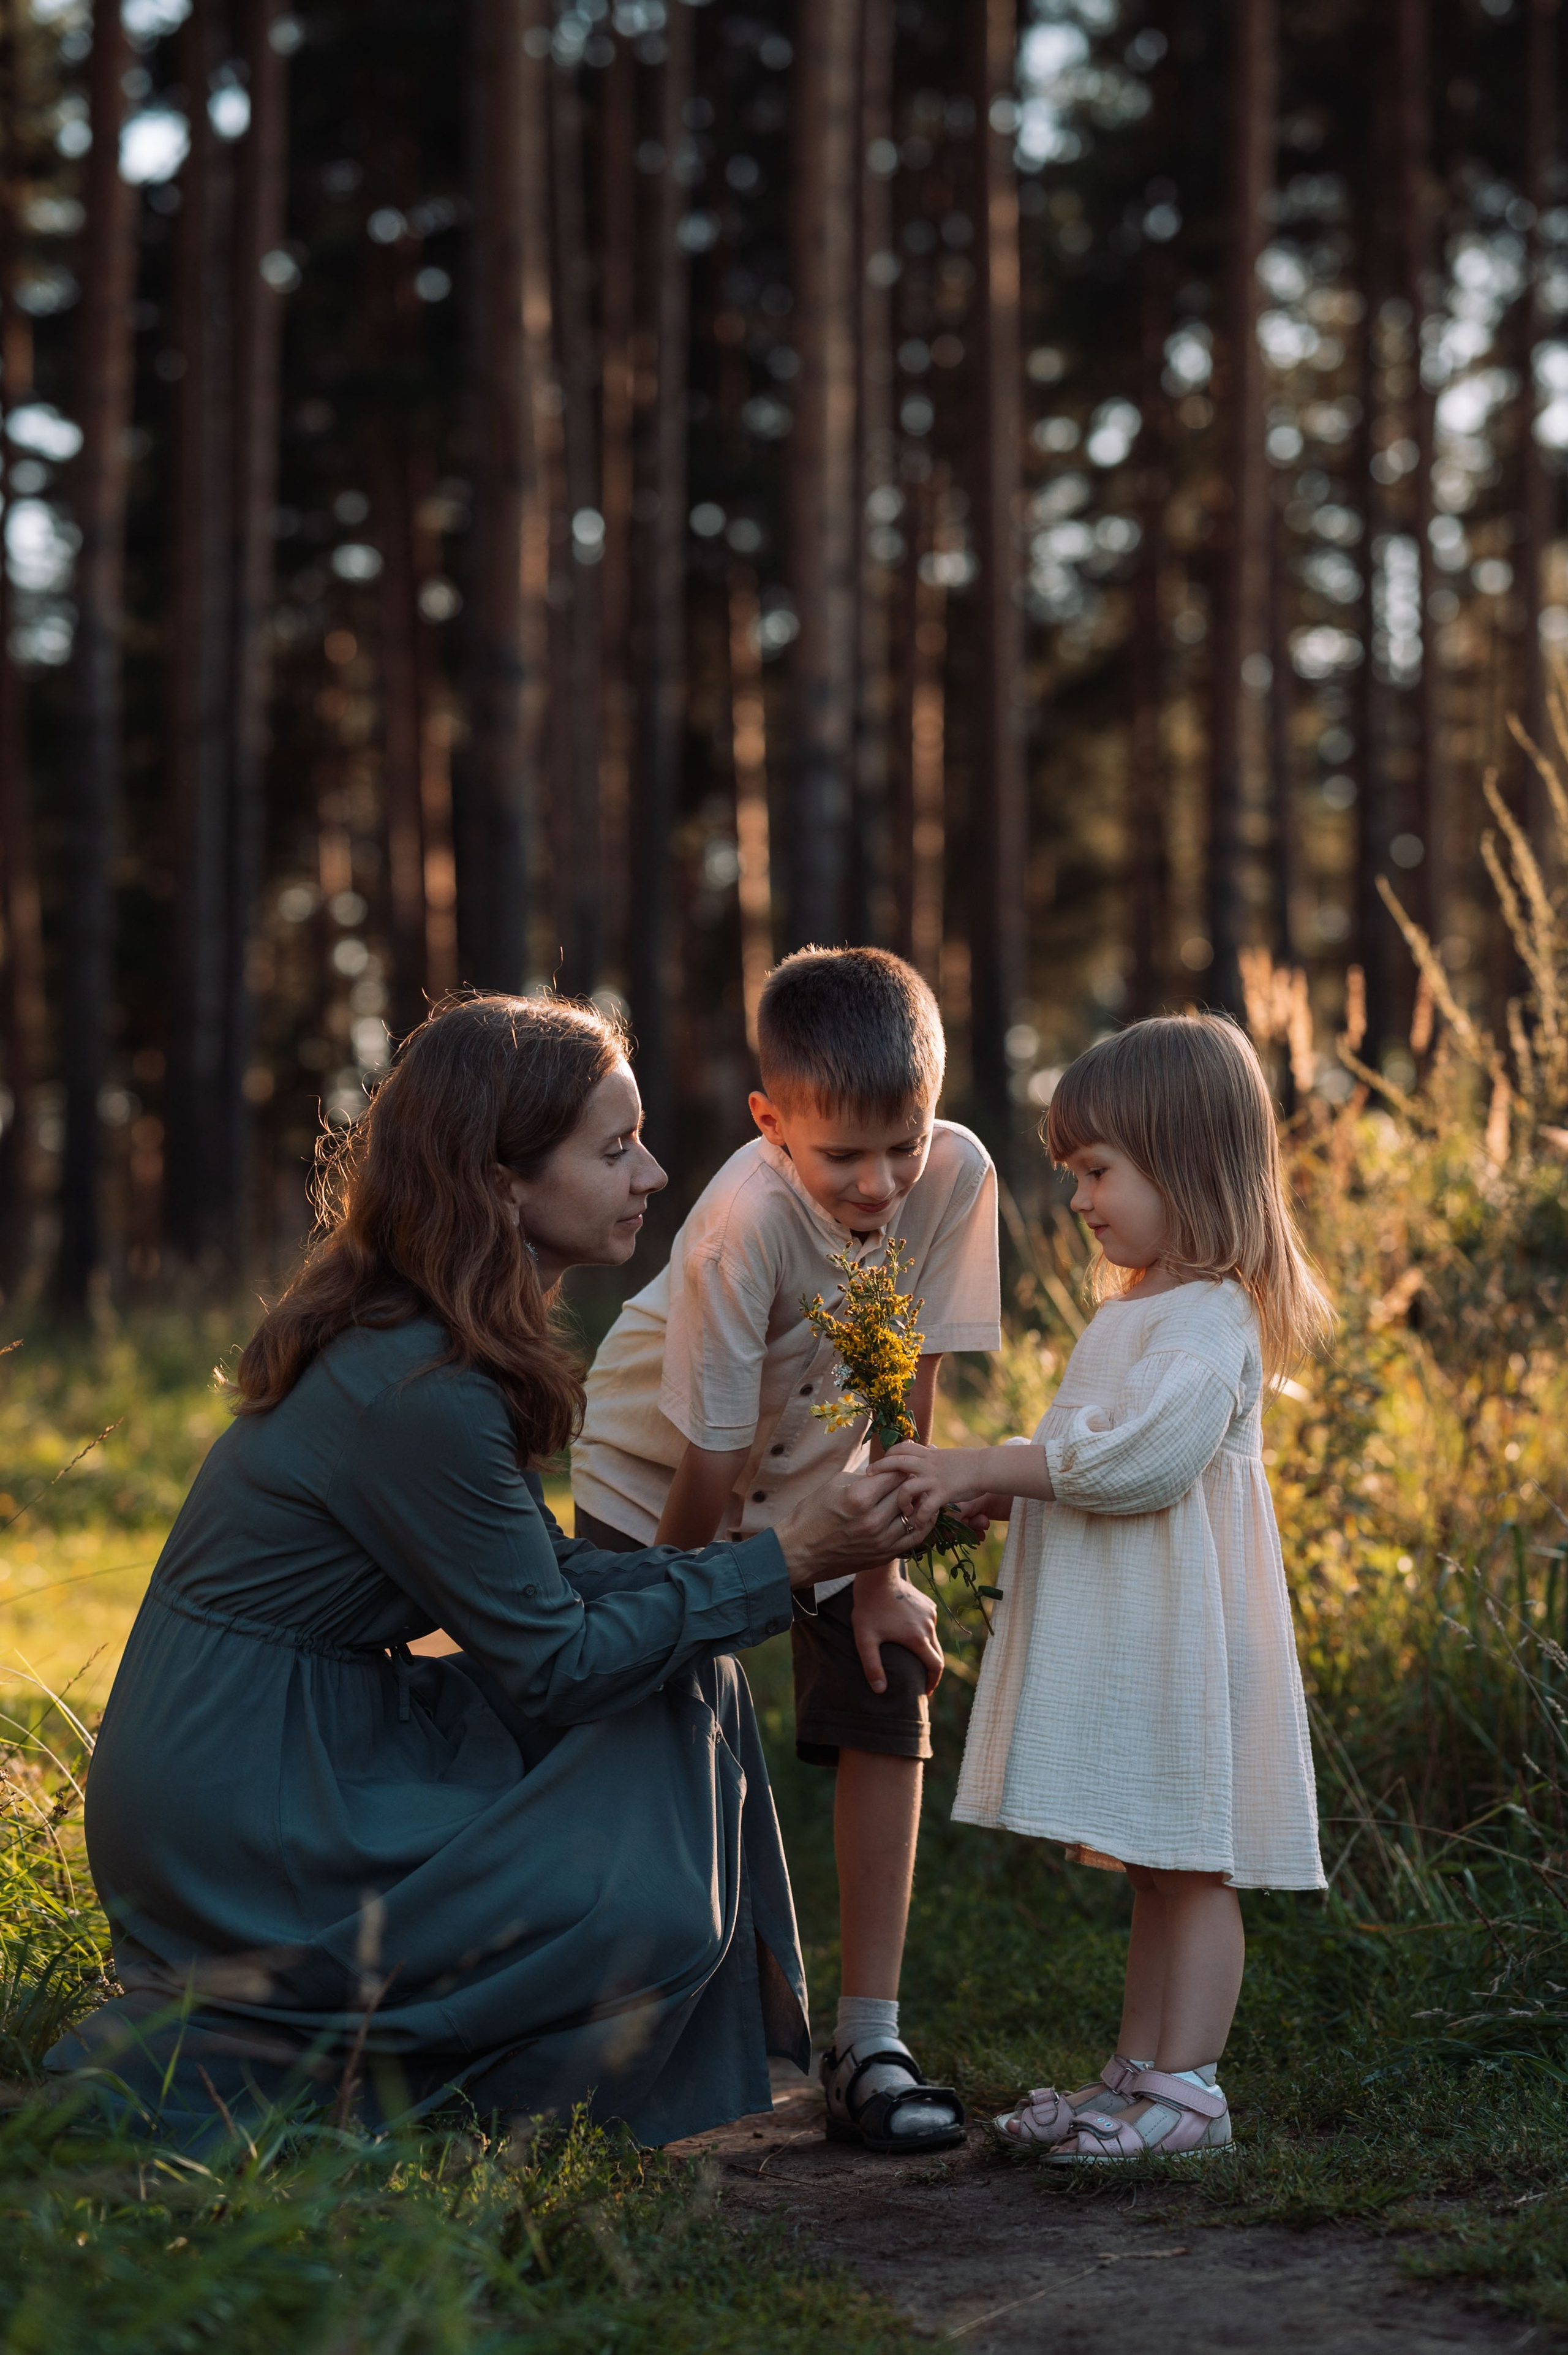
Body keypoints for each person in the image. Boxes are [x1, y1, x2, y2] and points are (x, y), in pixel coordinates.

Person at [47, 995, 930, 2150]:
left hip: (302, 1738)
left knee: (688, 1677)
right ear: (504, 1181)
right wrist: (792, 1560)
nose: (655, 1173)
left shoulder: (436, 1335)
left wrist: (768, 1569)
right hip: (247, 1796)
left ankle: (566, 2055)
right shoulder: (421, 1385)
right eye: (614, 1149)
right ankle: (382, 2091)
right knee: (647, 1881)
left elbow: (547, 1582)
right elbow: (555, 1662)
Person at [571, 947, 1000, 2153]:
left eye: (901, 1144)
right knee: (645, 1710)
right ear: (771, 1123)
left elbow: (903, 1361)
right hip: (659, 1482)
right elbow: (706, 1469)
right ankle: (625, 2029)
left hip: (820, 1461)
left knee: (890, 1668)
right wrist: (674, 1621)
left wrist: (881, 1575)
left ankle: (868, 2036)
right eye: (841, 1156)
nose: (879, 1182)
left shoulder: (955, 1173)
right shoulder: (736, 1229)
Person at [888, 1015, 1332, 2162]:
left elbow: (1139, 1463)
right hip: (1149, 1637)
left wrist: (983, 1463)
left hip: (1189, 1640)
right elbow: (1090, 1458)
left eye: (1098, 1172)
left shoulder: (1213, 1316)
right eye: (1075, 1172)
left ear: (1184, 1164)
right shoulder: (1138, 1305)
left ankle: (1191, 2090)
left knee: (1195, 1862)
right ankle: (1136, 2072)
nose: (1081, 1199)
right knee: (1157, 1859)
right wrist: (1010, 1492)